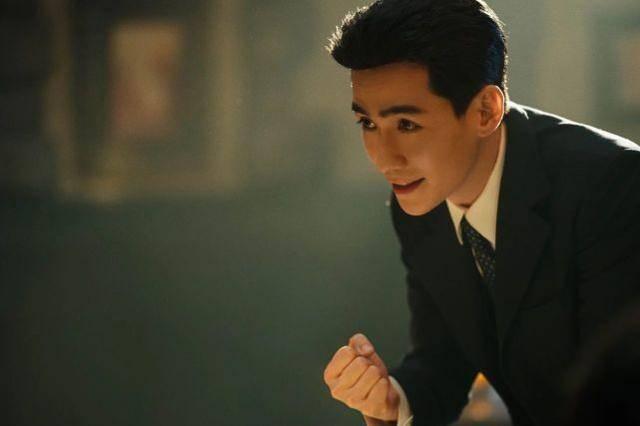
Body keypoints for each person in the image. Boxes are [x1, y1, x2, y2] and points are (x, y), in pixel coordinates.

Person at [321, 1, 640, 425]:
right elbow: (441, 360)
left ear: (486, 111)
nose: (383, 158)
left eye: (407, 125)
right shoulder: (419, 205)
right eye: (368, 124)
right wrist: (392, 399)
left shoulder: (610, 184)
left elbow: (619, 389)